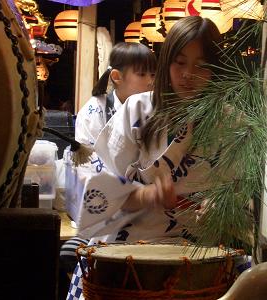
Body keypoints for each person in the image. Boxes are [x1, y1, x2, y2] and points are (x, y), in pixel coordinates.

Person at [66, 16, 223, 299]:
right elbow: (100, 193)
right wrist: (148, 195)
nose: (189, 74)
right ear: (166, 63)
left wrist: (219, 204)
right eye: (180, 62)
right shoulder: (136, 111)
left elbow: (240, 195)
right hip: (125, 249)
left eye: (202, 65)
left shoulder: (230, 122)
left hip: (200, 254)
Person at [60, 42, 156, 290]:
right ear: (117, 77)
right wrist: (131, 193)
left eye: (154, 75)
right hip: (104, 208)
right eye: (142, 74)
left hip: (145, 210)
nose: (150, 82)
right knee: (77, 257)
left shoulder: (152, 109)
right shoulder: (93, 111)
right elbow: (89, 171)